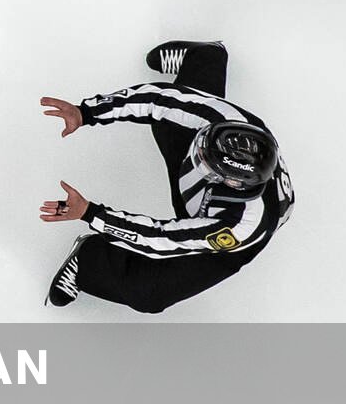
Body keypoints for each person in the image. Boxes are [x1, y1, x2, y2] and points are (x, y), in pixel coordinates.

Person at [39, 41, 292, 313]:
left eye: (203, 164)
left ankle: (88, 261)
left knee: (150, 294)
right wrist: (87, 112)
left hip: (226, 240)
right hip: (217, 172)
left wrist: (92, 213)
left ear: (229, 183)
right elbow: (159, 100)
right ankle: (205, 57)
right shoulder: (224, 118)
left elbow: (161, 239)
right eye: (202, 147)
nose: (194, 157)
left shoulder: (237, 227)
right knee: (174, 120)